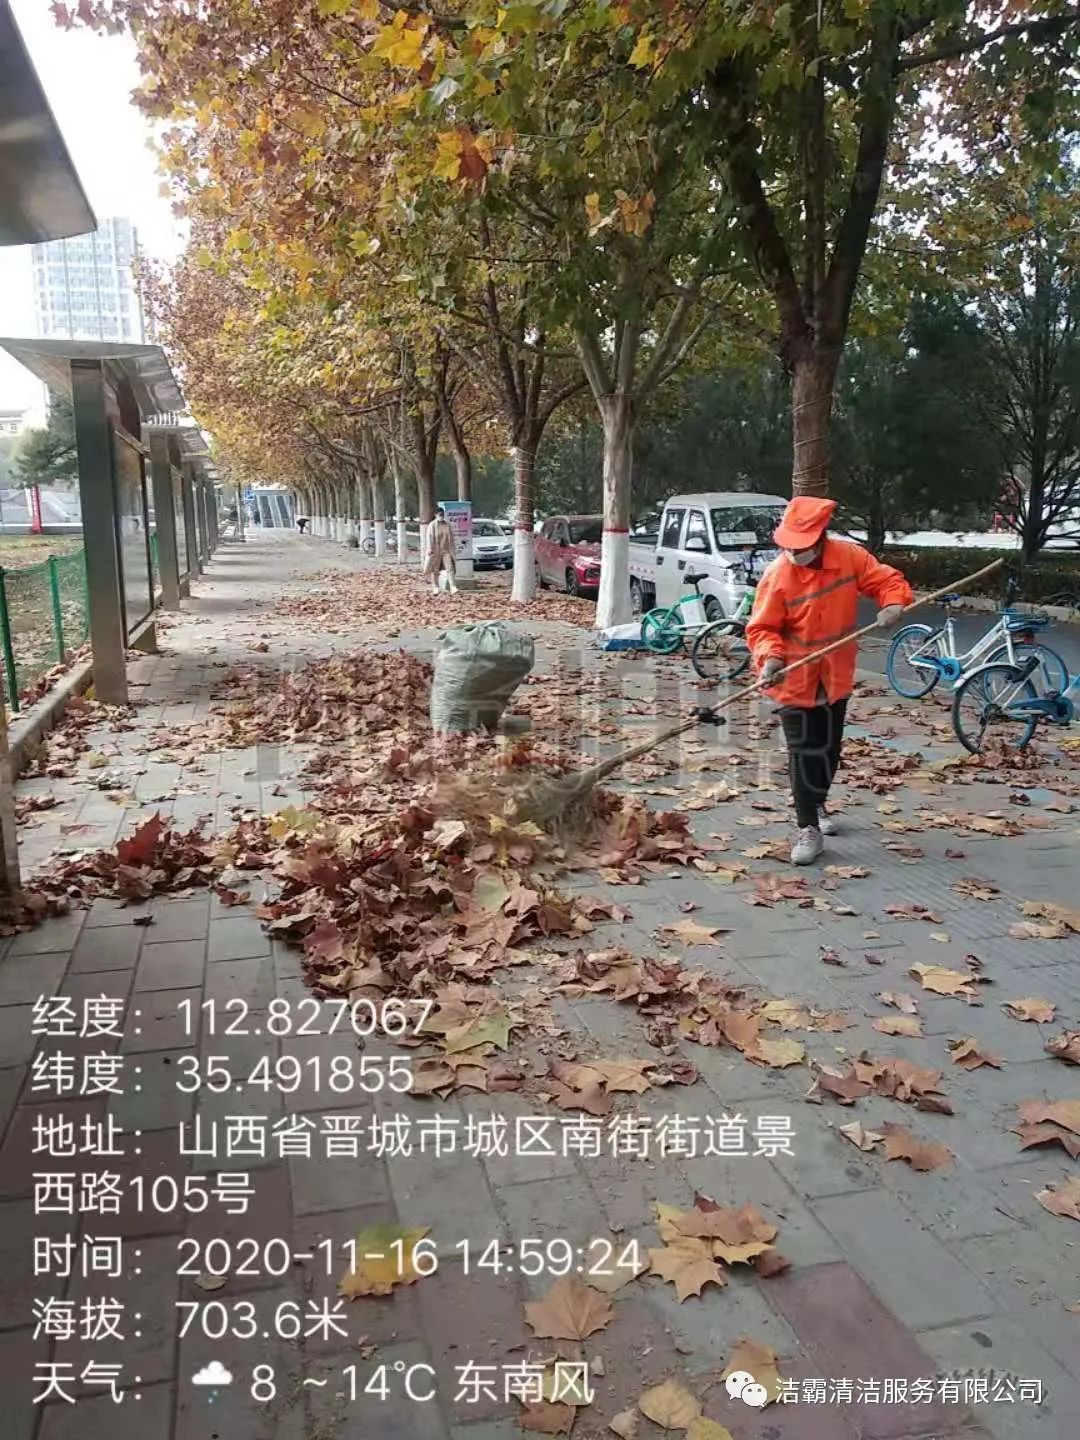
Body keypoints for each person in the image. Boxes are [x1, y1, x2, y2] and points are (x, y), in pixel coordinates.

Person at [745, 497, 913, 865]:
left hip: (835, 674)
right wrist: (771, 657)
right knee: (803, 751)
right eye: (788, 546)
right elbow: (762, 628)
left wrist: (892, 603)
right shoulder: (778, 575)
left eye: (800, 546)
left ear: (820, 538)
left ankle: (817, 800)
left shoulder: (849, 558)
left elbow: (887, 580)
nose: (793, 553)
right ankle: (807, 827)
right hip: (793, 675)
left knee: (828, 749)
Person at [423, 506, 458, 594]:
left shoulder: (447, 524)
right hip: (435, 551)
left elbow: (451, 538)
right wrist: (430, 548)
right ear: (435, 515)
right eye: (439, 514)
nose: (441, 516)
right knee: (435, 570)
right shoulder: (432, 525)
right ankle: (436, 587)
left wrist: (453, 549)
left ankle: (453, 586)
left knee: (450, 568)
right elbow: (429, 537)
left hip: (446, 550)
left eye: (442, 514)